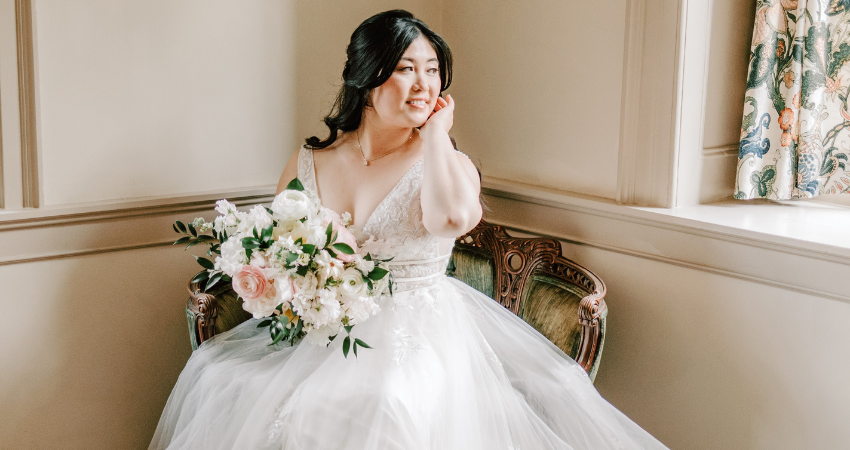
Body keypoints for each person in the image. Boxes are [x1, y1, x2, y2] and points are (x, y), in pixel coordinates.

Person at [150, 10, 669, 450]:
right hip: (326, 327)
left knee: (384, 400)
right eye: (405, 69)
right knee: (229, 379)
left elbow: (451, 220)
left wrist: (438, 136)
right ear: (367, 77)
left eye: (433, 70)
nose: (424, 84)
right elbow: (280, 246)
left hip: (421, 331)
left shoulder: (447, 162)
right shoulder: (310, 160)